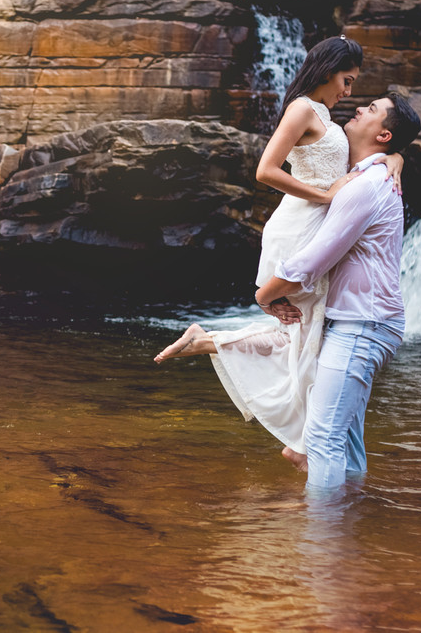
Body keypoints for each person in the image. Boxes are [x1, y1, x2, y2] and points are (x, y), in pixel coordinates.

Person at [154, 35, 401, 468]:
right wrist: (325, 196)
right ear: (328, 71)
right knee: (307, 334)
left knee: (305, 336)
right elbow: (265, 170)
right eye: (347, 80)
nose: (349, 92)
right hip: (298, 227)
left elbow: (363, 156)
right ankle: (302, 446)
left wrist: (394, 158)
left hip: (313, 224)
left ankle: (212, 346)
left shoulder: (325, 114)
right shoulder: (302, 109)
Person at [255, 91, 421, 489]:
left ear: (383, 135)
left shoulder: (367, 185)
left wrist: (264, 294)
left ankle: (321, 528)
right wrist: (397, 157)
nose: (358, 106)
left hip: (363, 325)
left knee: (321, 440)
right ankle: (349, 515)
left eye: (372, 109)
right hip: (364, 322)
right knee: (345, 441)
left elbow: (315, 259)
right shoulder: (369, 174)